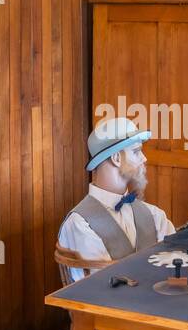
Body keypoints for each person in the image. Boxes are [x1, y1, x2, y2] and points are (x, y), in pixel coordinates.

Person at [57, 116, 175, 283]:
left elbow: (179, 261)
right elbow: (99, 287)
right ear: (116, 158)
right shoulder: (79, 224)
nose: (144, 158)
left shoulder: (155, 215)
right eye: (136, 151)